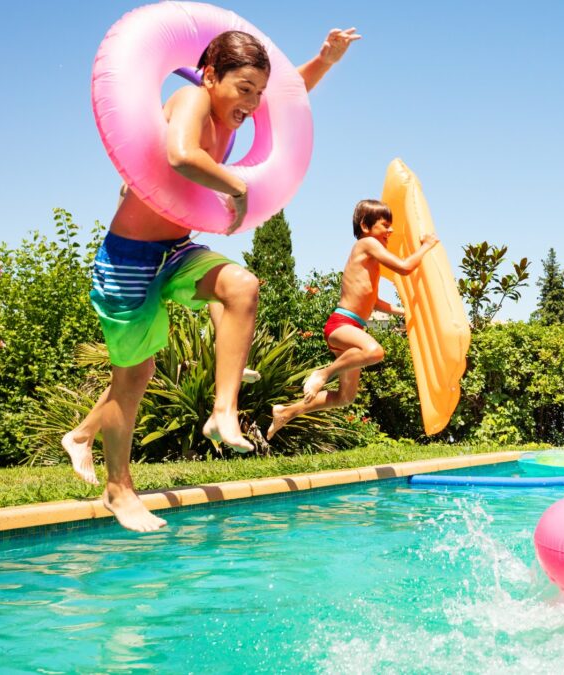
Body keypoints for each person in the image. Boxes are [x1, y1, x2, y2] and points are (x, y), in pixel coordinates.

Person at [63, 28, 360, 532]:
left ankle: (223, 411)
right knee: (134, 376)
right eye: (244, 89)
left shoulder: (234, 114)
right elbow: (180, 154)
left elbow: (289, 102)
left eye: (258, 93)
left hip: (175, 249)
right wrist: (236, 185)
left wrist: (324, 61)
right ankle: (117, 487)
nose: (253, 102)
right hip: (129, 257)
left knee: (241, 285)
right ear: (210, 75)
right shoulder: (191, 99)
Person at [266, 200, 438, 439]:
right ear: (366, 226)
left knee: (344, 398)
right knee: (375, 352)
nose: (390, 230)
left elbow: (374, 302)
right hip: (341, 324)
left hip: (352, 327)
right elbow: (405, 267)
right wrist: (426, 246)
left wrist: (405, 312)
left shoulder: (371, 258)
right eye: (385, 225)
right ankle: (323, 374)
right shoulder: (367, 244)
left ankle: (286, 412)